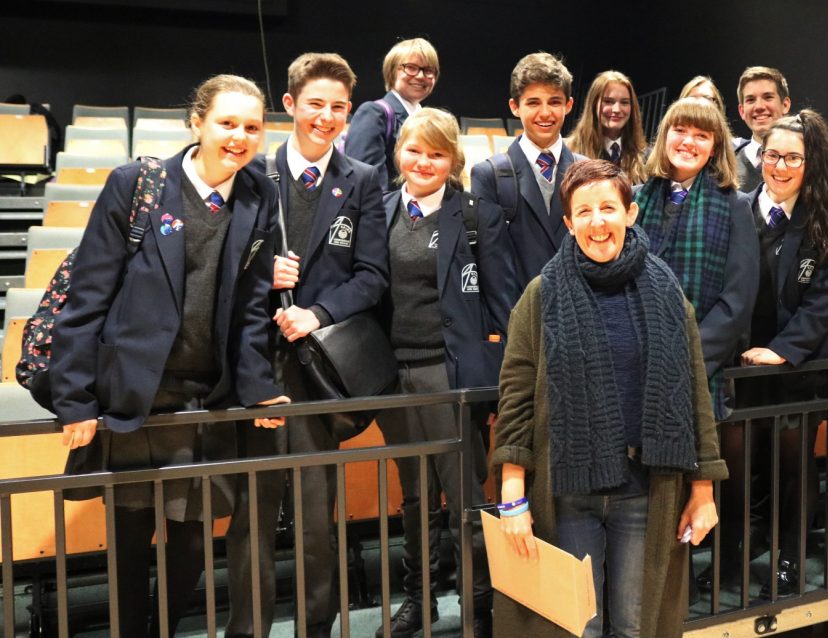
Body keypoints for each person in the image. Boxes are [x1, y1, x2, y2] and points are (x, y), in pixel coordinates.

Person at [50, 74, 287, 637]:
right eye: (227, 123)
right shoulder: (136, 184)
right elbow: (86, 298)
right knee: (130, 546)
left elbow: (253, 308)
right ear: (196, 123)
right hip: (134, 395)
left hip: (204, 400)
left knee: (189, 545)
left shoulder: (259, 192)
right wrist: (75, 401)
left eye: (252, 127)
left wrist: (256, 388)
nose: (239, 137)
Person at [493, 159, 727, 638]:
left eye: (607, 208)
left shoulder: (667, 293)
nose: (597, 222)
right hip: (568, 492)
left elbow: (695, 396)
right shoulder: (541, 295)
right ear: (568, 222)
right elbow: (515, 397)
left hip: (644, 489)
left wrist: (702, 490)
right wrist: (512, 492)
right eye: (584, 211)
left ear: (631, 213)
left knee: (633, 626)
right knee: (578, 626)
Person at [226, 52, 388, 638]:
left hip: (321, 364)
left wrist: (316, 313)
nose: (326, 117)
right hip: (253, 365)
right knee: (254, 510)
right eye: (315, 104)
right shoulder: (252, 175)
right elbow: (221, 267)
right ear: (290, 105)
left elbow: (372, 275)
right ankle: (248, 628)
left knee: (318, 512)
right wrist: (264, 275)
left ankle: (317, 626)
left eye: (338, 107)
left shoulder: (364, 180)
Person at [376, 107, 514, 638]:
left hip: (449, 373)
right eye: (415, 150)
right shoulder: (381, 210)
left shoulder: (477, 215)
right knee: (412, 497)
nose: (424, 162)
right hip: (394, 376)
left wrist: (502, 379)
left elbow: (503, 300)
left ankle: (478, 603)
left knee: (464, 497)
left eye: (437, 153)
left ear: (454, 160)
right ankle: (420, 598)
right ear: (399, 153)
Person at [711, 110, 828, 597]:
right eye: (773, 155)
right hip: (739, 369)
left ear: (810, 163)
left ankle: (789, 558)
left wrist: (781, 352)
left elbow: (823, 305)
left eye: (794, 157)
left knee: (794, 470)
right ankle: (728, 561)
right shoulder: (735, 209)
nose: (781, 166)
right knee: (732, 472)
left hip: (798, 369)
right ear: (760, 156)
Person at [636, 97, 759, 421]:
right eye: (680, 130)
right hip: (635, 362)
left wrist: (686, 359)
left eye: (702, 135)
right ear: (664, 136)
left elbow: (737, 301)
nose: (688, 142)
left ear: (715, 147)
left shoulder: (735, 206)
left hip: (700, 369)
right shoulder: (633, 199)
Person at [470, 51, 586, 295]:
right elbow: (491, 266)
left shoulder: (586, 172)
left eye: (554, 102)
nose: (545, 113)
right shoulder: (488, 176)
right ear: (515, 107)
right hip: (517, 319)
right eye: (533, 102)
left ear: (568, 105)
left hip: (578, 316)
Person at [344, 37, 439, 192]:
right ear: (392, 71)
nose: (421, 76)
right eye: (411, 67)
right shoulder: (373, 114)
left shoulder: (431, 121)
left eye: (428, 70)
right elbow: (365, 185)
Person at [566, 70, 648, 184]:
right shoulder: (568, 151)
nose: (617, 110)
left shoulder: (645, 159)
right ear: (594, 104)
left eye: (624, 102)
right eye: (608, 101)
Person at [733, 66, 791, 193]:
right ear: (742, 111)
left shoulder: (808, 157)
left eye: (768, 97)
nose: (759, 106)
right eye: (751, 100)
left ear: (785, 105)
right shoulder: (727, 164)